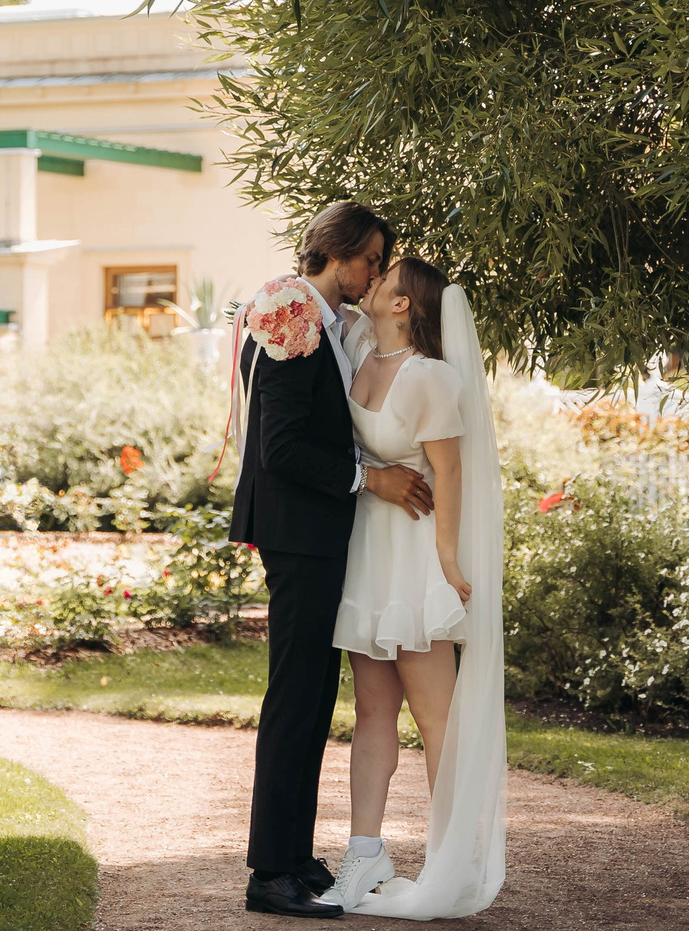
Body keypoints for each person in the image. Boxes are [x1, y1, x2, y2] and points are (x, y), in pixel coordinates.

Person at [234, 200, 437, 919]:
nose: (375, 274)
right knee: (295, 700)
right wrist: (369, 478)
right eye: (371, 260)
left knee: (316, 697)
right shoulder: (292, 308)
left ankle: (293, 855)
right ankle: (268, 872)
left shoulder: (324, 319)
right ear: (337, 249)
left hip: (316, 534)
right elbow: (280, 446)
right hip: (299, 533)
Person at [320, 257, 507, 919]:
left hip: (418, 551)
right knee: (372, 713)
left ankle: (452, 861)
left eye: (385, 277)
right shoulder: (358, 350)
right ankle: (364, 850)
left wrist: (450, 562)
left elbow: (452, 474)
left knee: (437, 722)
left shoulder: (431, 378)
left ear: (404, 305)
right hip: (369, 548)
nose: (372, 281)